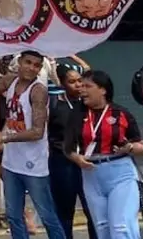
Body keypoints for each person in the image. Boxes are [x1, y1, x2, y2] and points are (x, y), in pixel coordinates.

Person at [0, 50, 68, 239]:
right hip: (11, 162)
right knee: (14, 216)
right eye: (28, 62)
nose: (32, 68)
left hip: (33, 165)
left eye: (36, 65)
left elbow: (37, 132)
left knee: (47, 216)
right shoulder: (10, 81)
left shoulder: (39, 90)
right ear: (20, 63)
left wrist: (4, 138)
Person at [64, 71, 143, 239]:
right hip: (91, 175)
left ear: (103, 90)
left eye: (87, 86)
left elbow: (141, 147)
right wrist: (77, 159)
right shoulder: (77, 114)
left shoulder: (121, 113)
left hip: (120, 173)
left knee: (121, 226)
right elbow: (67, 148)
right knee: (102, 228)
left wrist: (128, 147)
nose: (81, 89)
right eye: (81, 85)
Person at [47, 63, 95, 239]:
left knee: (93, 210)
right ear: (62, 83)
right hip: (62, 162)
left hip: (87, 162)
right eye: (72, 81)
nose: (78, 85)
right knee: (64, 212)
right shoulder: (54, 104)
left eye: (80, 81)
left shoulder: (89, 104)